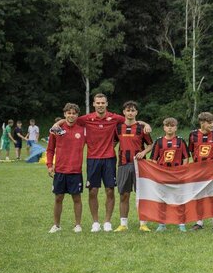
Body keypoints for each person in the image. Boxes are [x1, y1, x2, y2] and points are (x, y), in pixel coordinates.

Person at [53, 93, 149, 233]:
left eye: (102, 103)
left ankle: (107, 222)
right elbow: (70, 118)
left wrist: (145, 124)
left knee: (110, 191)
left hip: (109, 159)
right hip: (92, 159)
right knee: (93, 191)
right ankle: (96, 222)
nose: (100, 105)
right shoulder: (86, 119)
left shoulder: (115, 118)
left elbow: (131, 119)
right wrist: (58, 122)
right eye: (98, 103)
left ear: (106, 103)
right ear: (93, 104)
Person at [138, 117, 190, 232]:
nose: (170, 128)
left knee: (178, 199)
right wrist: (157, 173)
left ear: (176, 127)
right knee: (162, 199)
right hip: (162, 175)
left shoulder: (180, 141)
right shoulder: (159, 141)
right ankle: (162, 223)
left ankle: (181, 223)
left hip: (177, 174)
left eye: (172, 126)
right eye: (167, 126)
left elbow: (186, 158)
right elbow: (154, 159)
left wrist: (182, 171)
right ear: (164, 128)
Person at [46, 104, 86, 233]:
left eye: (74, 113)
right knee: (58, 198)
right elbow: (50, 149)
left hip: (75, 171)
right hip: (60, 170)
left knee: (77, 198)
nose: (71, 115)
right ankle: (56, 225)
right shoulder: (56, 129)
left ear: (77, 115)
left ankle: (78, 225)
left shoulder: (82, 129)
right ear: (64, 114)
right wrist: (49, 165)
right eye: (69, 113)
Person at [113, 101, 152, 232]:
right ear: (124, 112)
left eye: (133, 110)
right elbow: (112, 143)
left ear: (136, 112)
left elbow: (151, 145)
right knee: (124, 195)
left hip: (140, 165)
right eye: (128, 110)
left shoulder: (142, 128)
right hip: (123, 165)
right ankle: (123, 224)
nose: (130, 113)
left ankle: (143, 223)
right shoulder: (118, 128)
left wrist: (143, 152)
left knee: (141, 195)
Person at [188, 111, 213, 230]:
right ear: (202, 123)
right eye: (209, 123)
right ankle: (199, 222)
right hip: (198, 170)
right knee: (199, 195)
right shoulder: (193, 135)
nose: (212, 125)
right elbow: (192, 151)